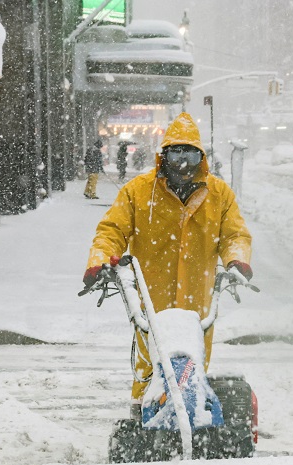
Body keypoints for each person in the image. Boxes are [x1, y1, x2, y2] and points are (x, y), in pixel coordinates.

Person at [84, 112, 253, 406]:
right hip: (152, 300)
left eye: (189, 153)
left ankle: (193, 414)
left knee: (193, 365)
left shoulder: (219, 194)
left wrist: (236, 261)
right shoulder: (138, 191)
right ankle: (142, 413)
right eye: (176, 153)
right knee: (149, 366)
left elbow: (234, 235)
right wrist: (100, 261)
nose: (183, 163)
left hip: (197, 301)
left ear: (201, 156)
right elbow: (111, 230)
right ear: (164, 156)